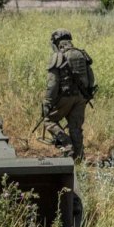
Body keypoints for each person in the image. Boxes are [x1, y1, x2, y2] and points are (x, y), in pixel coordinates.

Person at [43, 29, 96, 159]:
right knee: (75, 127)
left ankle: (67, 146)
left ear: (56, 43)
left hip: (65, 97)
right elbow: (91, 78)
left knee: (48, 120)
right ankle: (78, 158)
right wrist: (86, 95)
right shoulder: (81, 54)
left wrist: (48, 102)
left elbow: (52, 83)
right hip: (81, 97)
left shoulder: (58, 56)